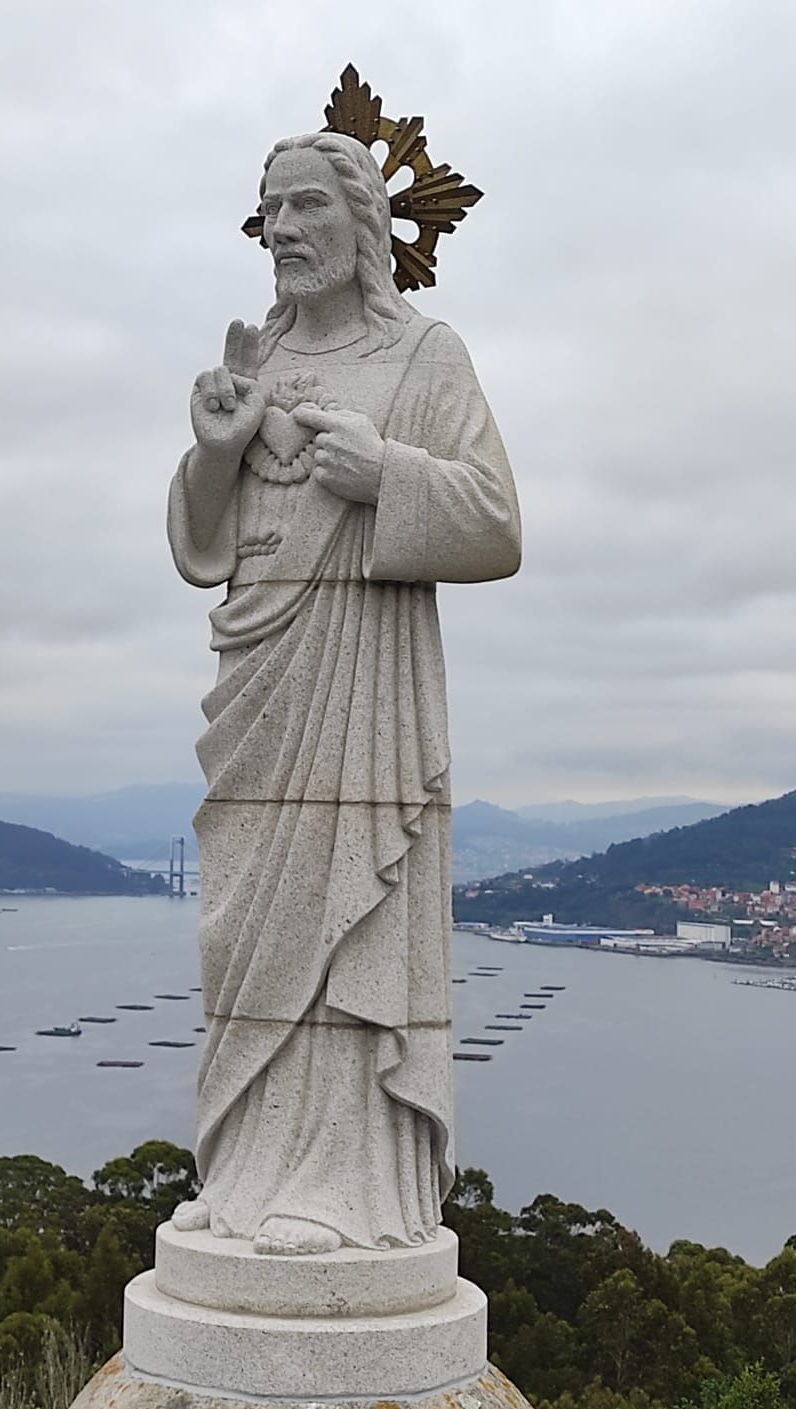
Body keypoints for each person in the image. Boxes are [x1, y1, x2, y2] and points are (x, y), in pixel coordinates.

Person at [167, 130, 520, 1255]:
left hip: (362, 678)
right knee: (251, 922)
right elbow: (202, 546)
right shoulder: (256, 360)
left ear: (364, 223)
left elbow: (497, 525)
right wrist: (217, 450)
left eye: (307, 206)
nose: (281, 231)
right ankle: (244, 1169)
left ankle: (343, 1183)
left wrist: (390, 476)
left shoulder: (426, 358)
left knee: (342, 914)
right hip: (258, 679)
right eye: (270, 210)